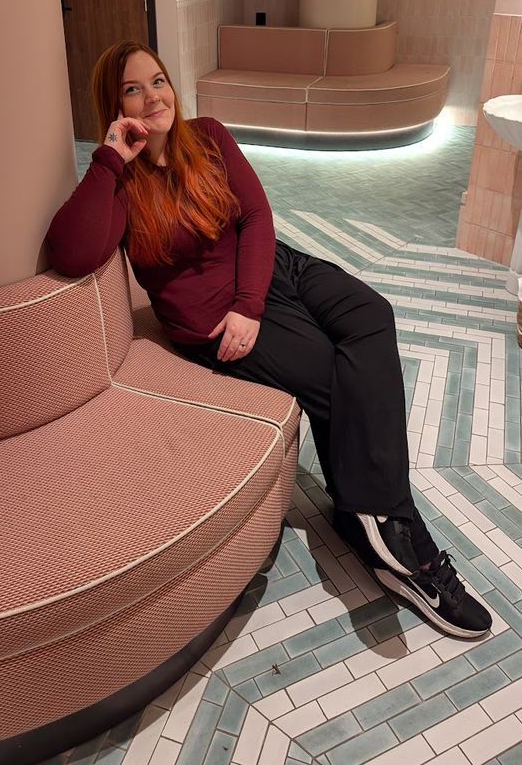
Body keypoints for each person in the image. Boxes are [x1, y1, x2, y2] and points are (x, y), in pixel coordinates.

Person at [47, 40, 491, 640]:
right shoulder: (120, 186)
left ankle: (362, 511)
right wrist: (108, 159)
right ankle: (402, 542)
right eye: (133, 89)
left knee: (371, 315)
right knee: (338, 377)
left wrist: (252, 302)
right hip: (215, 323)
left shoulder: (206, 135)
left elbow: (257, 216)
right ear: (113, 104)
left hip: (273, 275)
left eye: (158, 81)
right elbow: (72, 252)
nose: (153, 97)